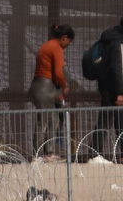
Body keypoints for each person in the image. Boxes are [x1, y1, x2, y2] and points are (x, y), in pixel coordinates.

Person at [90, 12, 123, 164]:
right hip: (113, 88)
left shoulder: (108, 38)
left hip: (105, 85)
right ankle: (96, 154)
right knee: (107, 119)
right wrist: (120, 92)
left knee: (115, 118)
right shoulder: (119, 42)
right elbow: (119, 68)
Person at [29, 23, 73, 160]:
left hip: (40, 86)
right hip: (45, 87)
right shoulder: (56, 48)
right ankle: (39, 154)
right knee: (44, 121)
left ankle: (49, 152)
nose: (68, 45)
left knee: (52, 120)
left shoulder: (46, 45)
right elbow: (58, 72)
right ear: (64, 38)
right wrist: (65, 85)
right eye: (69, 42)